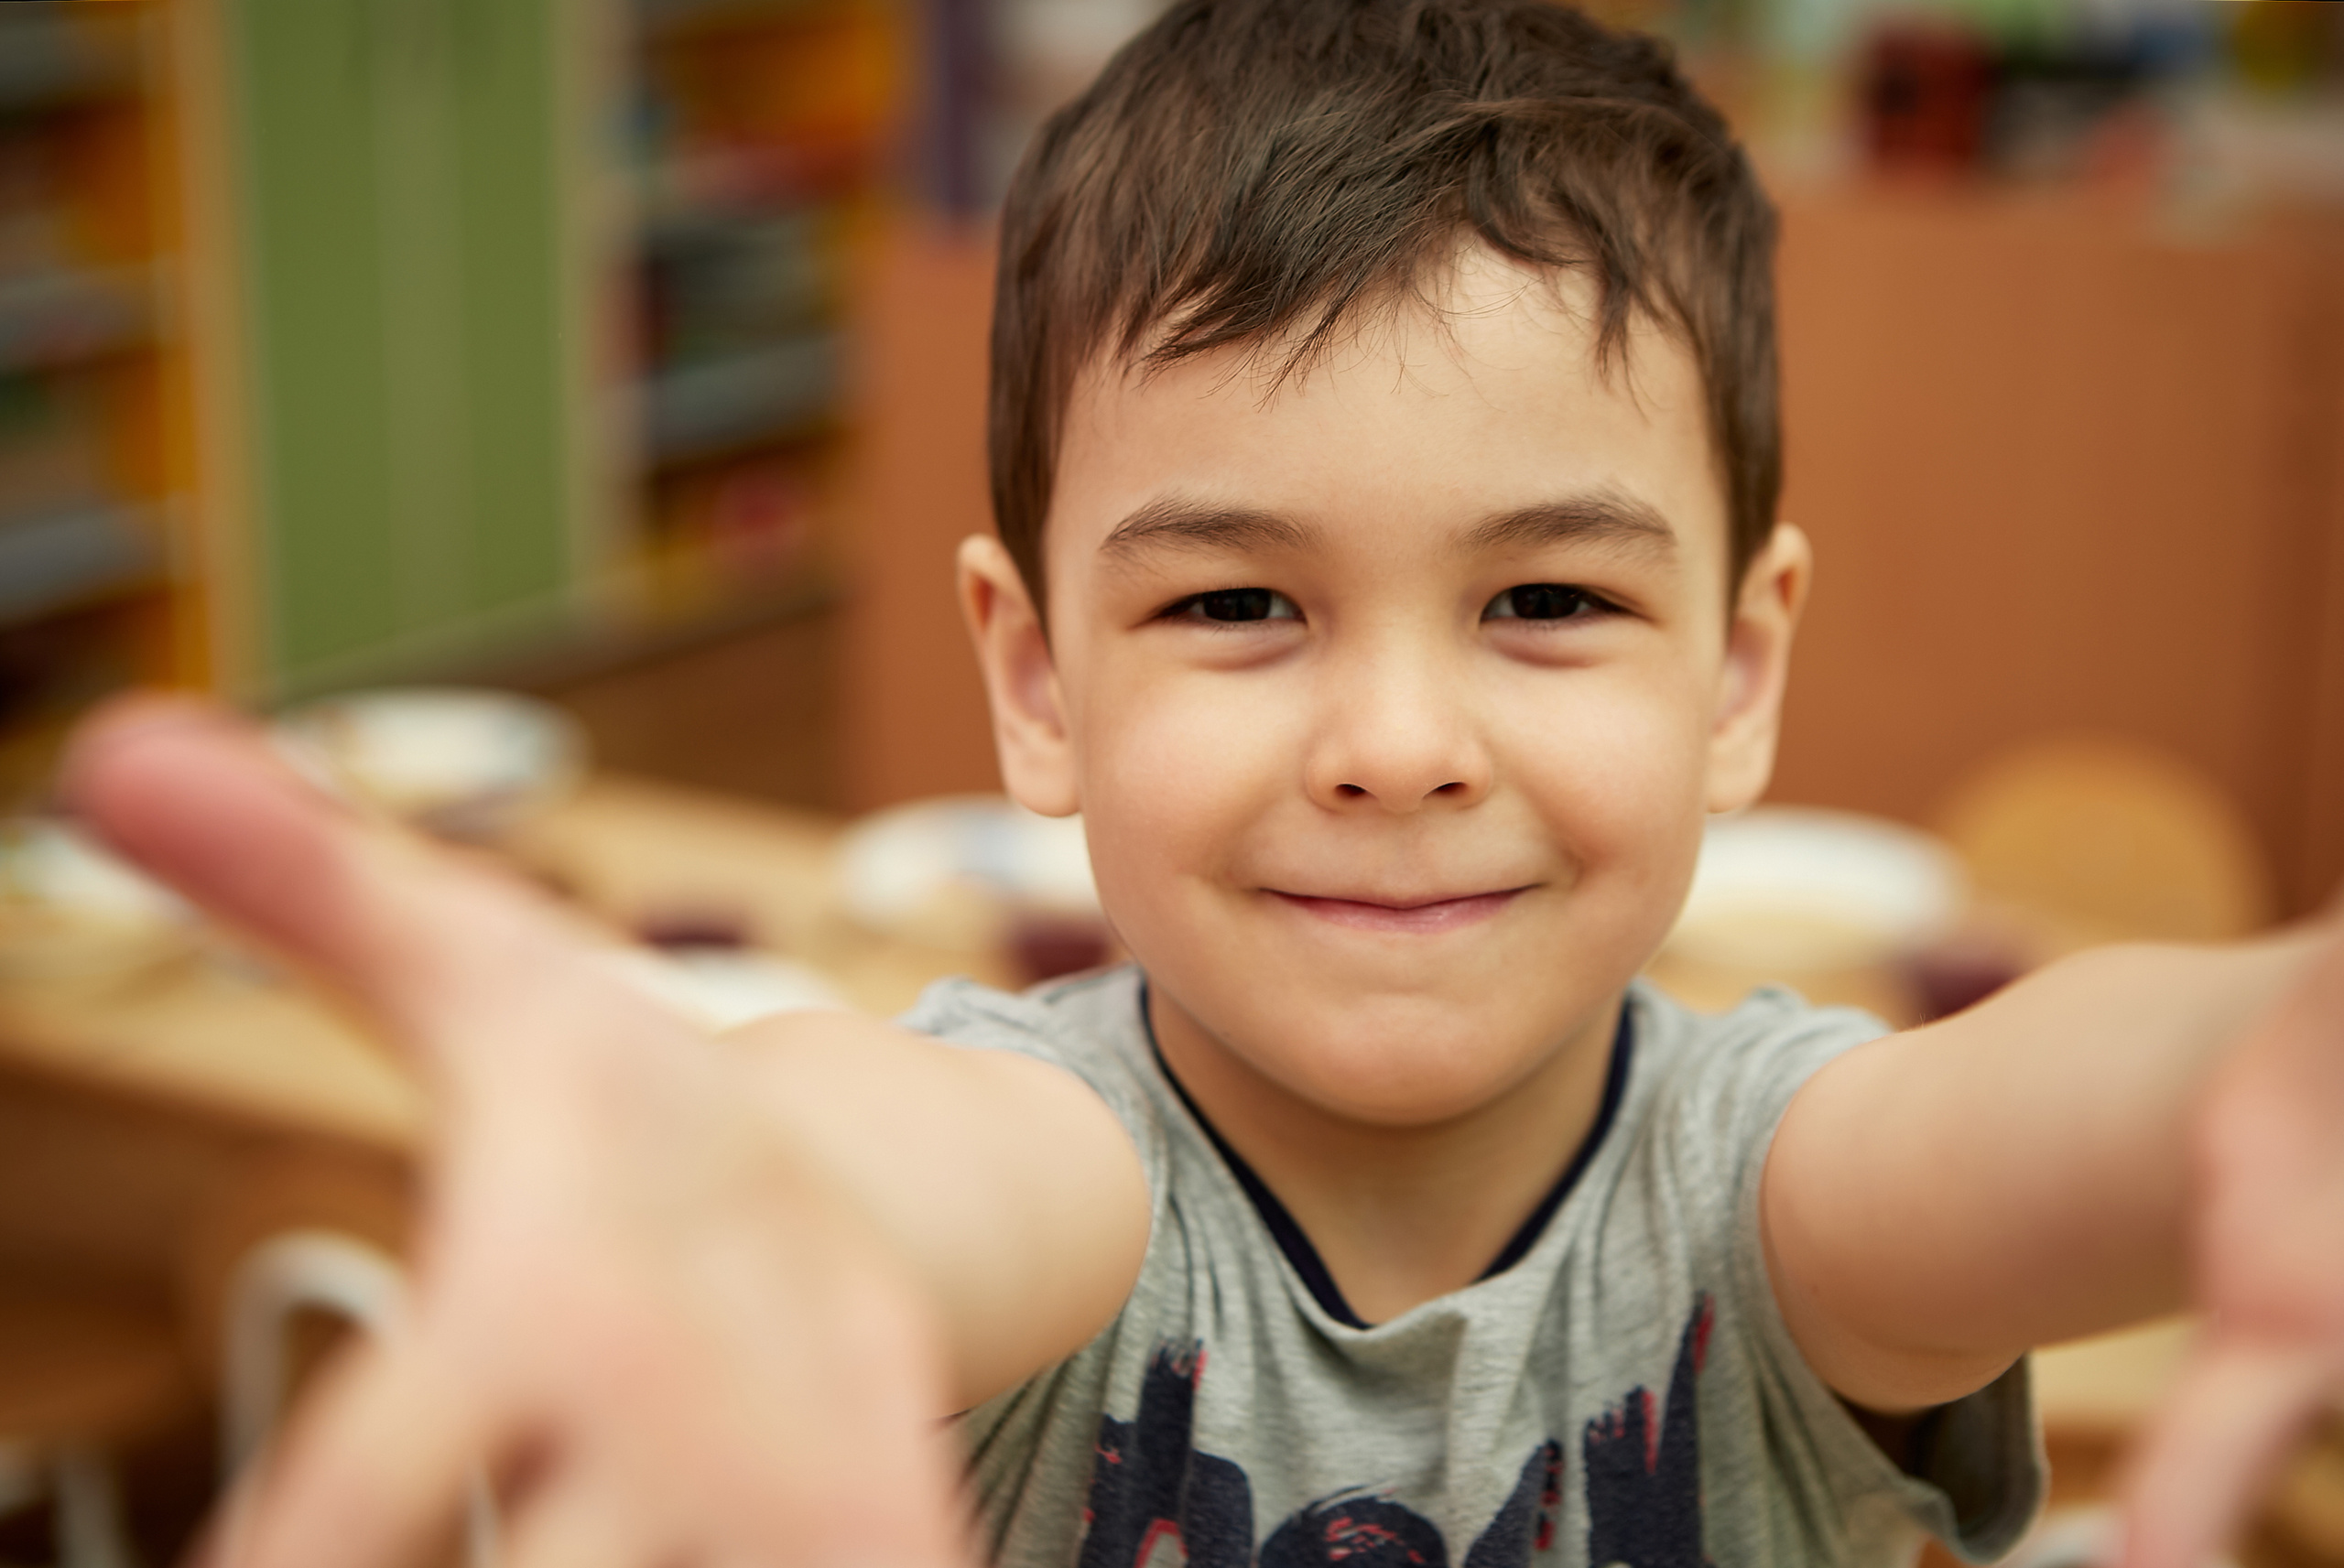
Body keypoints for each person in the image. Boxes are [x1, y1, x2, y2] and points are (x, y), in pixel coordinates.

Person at [61, 3, 2344, 1567]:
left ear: (1734, 669)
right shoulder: (1053, 1180)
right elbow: (897, 1179)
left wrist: (2252, 1041)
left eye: (1545, 600)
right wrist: (745, 1177)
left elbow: (2043, 1115)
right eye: (1235, 606)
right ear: (1034, 679)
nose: (1391, 744)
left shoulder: (1777, 1204)